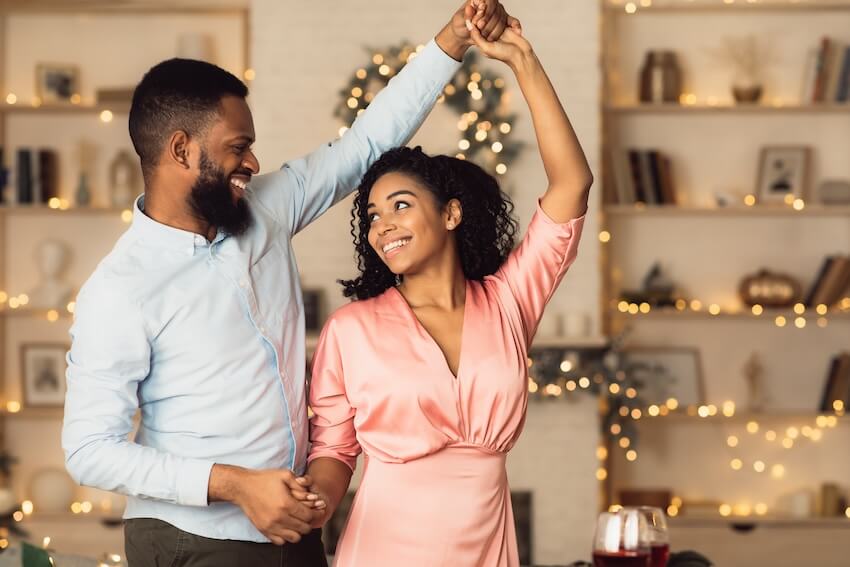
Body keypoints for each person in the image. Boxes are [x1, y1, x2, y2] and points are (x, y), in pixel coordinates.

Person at [61, 2, 516, 566]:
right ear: (181, 149)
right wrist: (233, 484)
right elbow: (88, 452)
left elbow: (364, 147)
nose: (252, 162)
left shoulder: (266, 210)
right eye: (236, 146)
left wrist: (453, 39)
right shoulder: (119, 289)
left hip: (294, 530)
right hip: (194, 540)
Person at [302, 22, 593, 567]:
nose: (383, 226)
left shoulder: (509, 302)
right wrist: (313, 504)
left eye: (401, 206)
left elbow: (571, 185)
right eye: (373, 216)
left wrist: (523, 61)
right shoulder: (351, 329)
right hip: (382, 551)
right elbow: (334, 452)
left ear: (451, 213)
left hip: (488, 551)